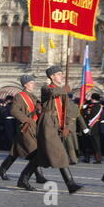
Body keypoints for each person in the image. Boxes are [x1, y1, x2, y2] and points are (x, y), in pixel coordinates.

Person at [0, 75, 47, 190]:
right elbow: (13, 110)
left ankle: (2, 169)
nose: (34, 84)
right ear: (25, 84)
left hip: (32, 127)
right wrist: (26, 119)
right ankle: (32, 178)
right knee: (36, 153)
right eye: (31, 82)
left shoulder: (32, 96)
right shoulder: (20, 96)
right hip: (26, 128)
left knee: (16, 151)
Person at [37, 65, 83, 194]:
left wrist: (67, 125)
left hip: (57, 123)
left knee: (40, 157)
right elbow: (53, 93)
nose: (61, 76)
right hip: (47, 123)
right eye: (59, 74)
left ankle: (23, 178)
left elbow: (67, 109)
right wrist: (65, 89)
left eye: (62, 74)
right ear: (52, 77)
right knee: (61, 153)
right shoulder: (46, 88)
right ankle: (71, 184)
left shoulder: (62, 91)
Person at [64, 97, 87, 165]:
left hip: (66, 126)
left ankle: (72, 159)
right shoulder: (75, 106)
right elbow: (80, 118)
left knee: (68, 144)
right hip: (73, 126)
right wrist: (84, 127)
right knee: (73, 143)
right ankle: (73, 158)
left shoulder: (64, 105)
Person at [82, 93, 103, 163]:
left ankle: (87, 158)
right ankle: (98, 158)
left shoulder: (91, 106)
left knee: (88, 143)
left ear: (93, 99)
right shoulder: (100, 106)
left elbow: (87, 115)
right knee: (96, 144)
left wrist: (84, 109)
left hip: (90, 126)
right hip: (97, 127)